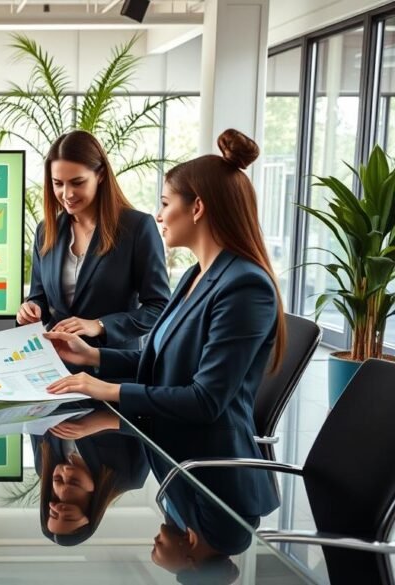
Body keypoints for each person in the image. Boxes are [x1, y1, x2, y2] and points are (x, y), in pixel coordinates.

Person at [44, 129, 286, 521]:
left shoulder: (245, 285)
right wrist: (93, 356)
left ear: (198, 208)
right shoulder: (196, 275)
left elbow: (205, 401)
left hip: (215, 483)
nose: (158, 215)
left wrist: (106, 388)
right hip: (176, 457)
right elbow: (163, 368)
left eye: (166, 202)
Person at [17, 130, 169, 355]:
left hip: (113, 369)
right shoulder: (46, 231)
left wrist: (99, 325)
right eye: (58, 183)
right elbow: (40, 297)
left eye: (77, 182)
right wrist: (31, 310)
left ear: (100, 175)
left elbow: (159, 307)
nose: (67, 194)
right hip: (57, 366)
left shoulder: (137, 228)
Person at [33, 411, 150, 545]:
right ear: (90, 512)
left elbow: (33, 415)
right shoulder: (129, 476)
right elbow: (152, 422)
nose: (64, 492)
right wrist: (101, 422)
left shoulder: (42, 466)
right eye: (70, 511)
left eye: (54, 510)